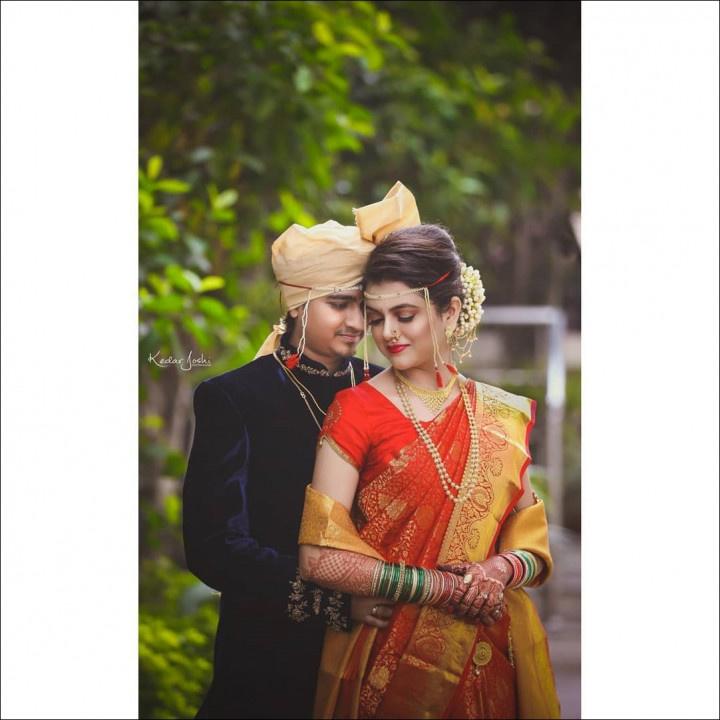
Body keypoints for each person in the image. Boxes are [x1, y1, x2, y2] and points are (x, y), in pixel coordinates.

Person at [298, 223, 561, 719]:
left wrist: (498, 571)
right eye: (376, 318)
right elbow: (318, 556)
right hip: (390, 657)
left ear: (450, 311)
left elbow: (532, 547)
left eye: (404, 315)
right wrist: (441, 588)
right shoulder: (353, 410)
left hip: (490, 655)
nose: (387, 333)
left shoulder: (501, 417)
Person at [182, 182, 422, 718]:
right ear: (298, 305)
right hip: (269, 658)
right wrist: (337, 602)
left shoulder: (391, 391)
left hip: (379, 653)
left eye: (365, 306)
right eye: (340, 305)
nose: (358, 323)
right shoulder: (234, 398)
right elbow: (213, 547)